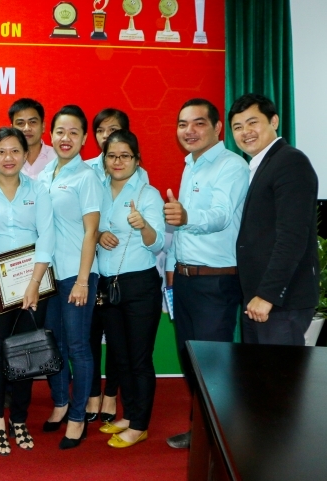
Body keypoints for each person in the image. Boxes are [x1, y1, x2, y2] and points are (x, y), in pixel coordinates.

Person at [0, 127, 56, 455]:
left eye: (15, 151)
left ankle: (19, 418)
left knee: (26, 350)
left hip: (34, 276)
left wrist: (33, 284)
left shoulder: (39, 189)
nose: (8, 157)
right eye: (1, 151)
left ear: (25, 154)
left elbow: (47, 236)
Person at [164, 98, 248, 449]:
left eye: (199, 123)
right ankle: (203, 431)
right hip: (186, 279)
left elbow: (220, 216)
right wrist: (172, 268)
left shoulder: (232, 165)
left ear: (217, 128)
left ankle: (220, 440)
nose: (189, 131)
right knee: (191, 360)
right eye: (183, 124)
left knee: (213, 364)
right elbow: (179, 228)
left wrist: (186, 217)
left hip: (216, 281)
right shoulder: (191, 165)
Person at [229, 93, 319, 345]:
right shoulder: (262, 165)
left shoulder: (290, 162)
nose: (245, 132)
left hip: (280, 303)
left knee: (280, 371)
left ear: (274, 121)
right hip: (258, 300)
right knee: (259, 371)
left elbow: (292, 236)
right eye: (238, 127)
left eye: (252, 122)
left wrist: (268, 295)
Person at [37, 105, 103, 450]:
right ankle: (61, 403)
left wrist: (82, 280)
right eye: (60, 131)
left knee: (78, 346)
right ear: (50, 134)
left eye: (74, 132)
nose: (66, 138)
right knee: (54, 344)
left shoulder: (86, 177)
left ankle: (78, 418)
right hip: (49, 276)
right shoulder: (45, 173)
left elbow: (91, 232)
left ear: (84, 138)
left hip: (77, 274)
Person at [94, 130, 165, 448]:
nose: (118, 161)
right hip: (107, 284)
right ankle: (128, 414)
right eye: (112, 156)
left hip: (139, 285)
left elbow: (157, 243)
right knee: (120, 357)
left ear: (136, 159)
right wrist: (99, 235)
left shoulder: (148, 194)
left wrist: (143, 225)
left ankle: (140, 425)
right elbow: (87, 227)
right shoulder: (98, 190)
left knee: (139, 358)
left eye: (125, 156)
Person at [85, 108, 131, 423]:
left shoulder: (135, 173)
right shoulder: (85, 170)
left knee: (116, 339)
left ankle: (111, 394)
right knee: (88, 337)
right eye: (100, 130)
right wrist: (98, 233)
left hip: (117, 270)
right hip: (87, 269)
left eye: (112, 130)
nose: (105, 136)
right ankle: (91, 395)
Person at [9, 98, 52, 179]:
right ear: (12, 129)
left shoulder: (57, 158)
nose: (27, 128)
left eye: (32, 122)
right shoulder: (5, 160)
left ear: (43, 126)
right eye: (20, 123)